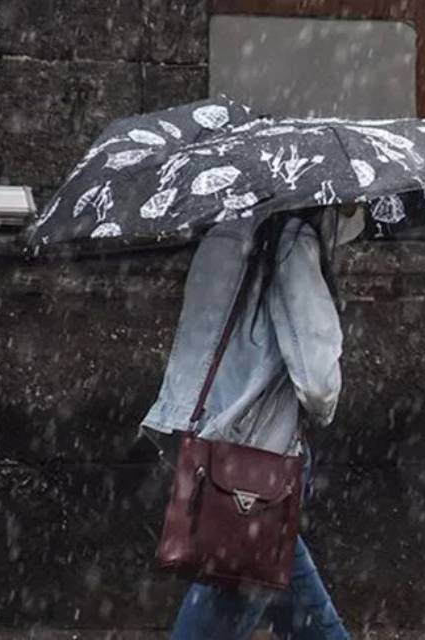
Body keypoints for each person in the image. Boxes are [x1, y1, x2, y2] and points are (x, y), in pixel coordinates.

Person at [139, 205, 365, 640]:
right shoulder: (291, 242)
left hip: (210, 446)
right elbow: (318, 385)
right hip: (257, 460)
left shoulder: (224, 232)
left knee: (288, 603)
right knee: (232, 601)